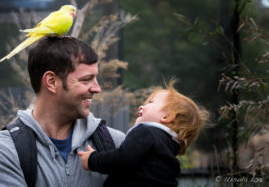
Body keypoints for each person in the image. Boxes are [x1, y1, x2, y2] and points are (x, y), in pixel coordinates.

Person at [0, 36, 125, 187]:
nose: (97, 89)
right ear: (52, 82)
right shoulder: (2, 152)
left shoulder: (115, 143)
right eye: (86, 79)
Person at [78, 80, 209, 187]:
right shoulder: (169, 147)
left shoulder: (145, 132)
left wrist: (92, 160)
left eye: (150, 103)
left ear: (167, 117)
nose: (142, 106)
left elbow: (122, 158)